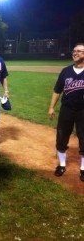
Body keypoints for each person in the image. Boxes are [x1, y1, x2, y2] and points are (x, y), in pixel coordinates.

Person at [48, 43, 84, 180]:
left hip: (82, 111)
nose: (75, 53)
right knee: (62, 137)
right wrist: (51, 107)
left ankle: (83, 168)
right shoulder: (66, 71)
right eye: (74, 51)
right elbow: (57, 90)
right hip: (66, 110)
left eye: (79, 51)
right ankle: (62, 165)